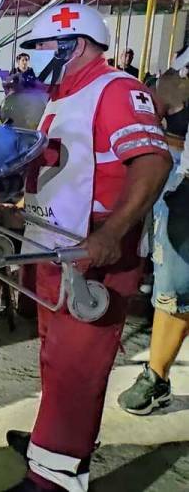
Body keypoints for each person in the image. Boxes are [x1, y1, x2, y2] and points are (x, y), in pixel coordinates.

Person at [2, 4, 172, 492]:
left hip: (94, 252)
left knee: (78, 365)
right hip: (55, 246)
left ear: (69, 44)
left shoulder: (117, 90)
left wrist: (110, 235)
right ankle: (52, 442)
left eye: (36, 49)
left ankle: (55, 477)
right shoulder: (64, 95)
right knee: (56, 357)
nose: (30, 60)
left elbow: (152, 164)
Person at [118, 46, 189, 415]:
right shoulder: (182, 63)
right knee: (174, 287)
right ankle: (156, 375)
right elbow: (165, 100)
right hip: (186, 187)